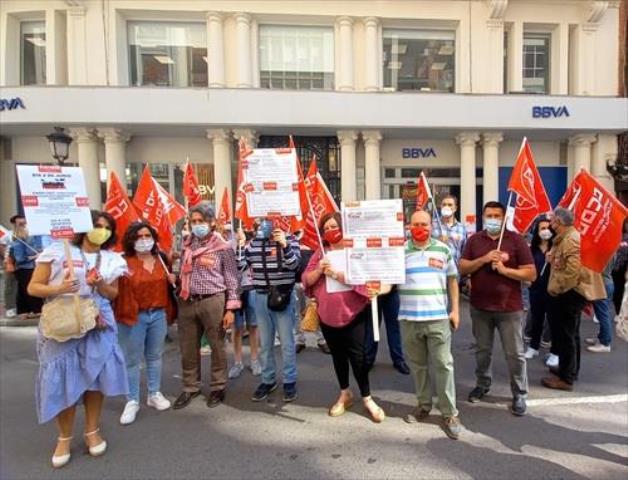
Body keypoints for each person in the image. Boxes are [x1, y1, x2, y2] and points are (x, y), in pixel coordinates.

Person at [27, 210, 128, 468]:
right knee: (63, 378)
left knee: (95, 378)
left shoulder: (111, 258)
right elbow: (33, 287)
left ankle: (92, 430)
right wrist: (59, 288)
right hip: (63, 320)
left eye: (106, 227)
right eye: (96, 225)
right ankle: (64, 437)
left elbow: (112, 294)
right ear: (84, 227)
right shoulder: (57, 251)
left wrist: (98, 284)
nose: (101, 230)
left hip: (98, 320)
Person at [302, 212, 385, 422]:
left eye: (333, 226)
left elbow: (365, 282)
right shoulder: (320, 252)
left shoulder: (355, 251)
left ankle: (367, 397)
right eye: (326, 228)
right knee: (338, 356)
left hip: (354, 315)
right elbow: (306, 279)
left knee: (359, 358)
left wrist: (338, 275)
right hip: (327, 316)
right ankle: (345, 393)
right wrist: (319, 270)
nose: (330, 231)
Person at [459, 201, 536, 416]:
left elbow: (530, 274)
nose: (492, 219)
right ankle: (483, 383)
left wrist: (504, 271)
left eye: (496, 216)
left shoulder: (516, 240)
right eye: (489, 215)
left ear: (504, 218)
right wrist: (483, 259)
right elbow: (463, 266)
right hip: (480, 307)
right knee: (483, 351)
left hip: (509, 308)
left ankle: (519, 392)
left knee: (515, 353)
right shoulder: (475, 240)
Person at [399, 210, 461, 439]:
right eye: (415, 224)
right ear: (409, 226)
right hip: (409, 318)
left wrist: (455, 310)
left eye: (424, 224)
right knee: (418, 366)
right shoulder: (400, 251)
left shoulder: (443, 249)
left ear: (431, 226)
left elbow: (453, 280)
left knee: (444, 365)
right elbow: (388, 282)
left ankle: (450, 413)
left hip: (437, 319)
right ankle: (424, 405)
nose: (420, 228)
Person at [173, 203, 240, 410]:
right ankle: (190, 387)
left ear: (211, 223)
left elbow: (232, 279)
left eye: (200, 221)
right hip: (187, 300)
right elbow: (182, 272)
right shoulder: (185, 244)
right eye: (193, 222)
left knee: (217, 346)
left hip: (213, 301)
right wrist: (174, 275)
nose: (197, 225)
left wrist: (230, 309)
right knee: (188, 347)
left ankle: (218, 387)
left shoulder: (223, 247)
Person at [114, 221, 177, 425]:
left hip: (158, 314)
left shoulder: (161, 258)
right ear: (131, 239)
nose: (143, 240)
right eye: (139, 236)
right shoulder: (122, 262)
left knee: (154, 356)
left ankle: (154, 393)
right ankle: (132, 400)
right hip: (133, 316)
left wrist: (172, 279)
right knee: (132, 360)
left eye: (147, 236)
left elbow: (169, 285)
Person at [237, 218, 301, 403]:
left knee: (287, 343)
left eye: (268, 220)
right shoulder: (253, 244)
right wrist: (241, 244)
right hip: (261, 297)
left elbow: (294, 265)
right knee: (265, 344)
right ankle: (268, 380)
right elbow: (241, 266)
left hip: (283, 297)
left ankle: (289, 381)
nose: (263, 224)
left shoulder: (291, 240)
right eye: (261, 220)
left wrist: (284, 244)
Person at [543, 208, 606, 391]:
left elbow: (572, 271)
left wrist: (557, 288)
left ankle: (566, 378)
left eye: (553, 221)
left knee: (566, 335)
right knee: (570, 334)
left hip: (569, 294)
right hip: (568, 293)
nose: (551, 224)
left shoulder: (571, 240)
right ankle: (568, 369)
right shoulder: (564, 239)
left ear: (559, 223)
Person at [524, 216, 557, 364]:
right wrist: (527, 279)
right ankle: (533, 346)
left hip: (552, 289)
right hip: (536, 289)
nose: (545, 231)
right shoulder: (532, 248)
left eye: (548, 228)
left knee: (553, 320)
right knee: (536, 318)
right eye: (542, 228)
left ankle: (554, 351)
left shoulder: (556, 247)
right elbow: (526, 266)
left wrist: (553, 261)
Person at [229, 231, 261, 379]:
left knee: (253, 326)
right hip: (236, 291)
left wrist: (244, 246)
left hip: (252, 289)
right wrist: (239, 246)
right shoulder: (230, 247)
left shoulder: (254, 247)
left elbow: (244, 265)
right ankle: (237, 362)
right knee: (237, 328)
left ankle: (254, 360)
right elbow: (237, 266)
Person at [364, 286, 410, 375]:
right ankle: (368, 359)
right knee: (372, 326)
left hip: (391, 290)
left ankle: (398, 360)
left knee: (393, 327)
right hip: (373, 290)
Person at [295, 244, 330, 354]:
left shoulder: (315, 243)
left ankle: (322, 340)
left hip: (310, 285)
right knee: (297, 314)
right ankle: (299, 340)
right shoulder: (289, 241)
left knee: (315, 312)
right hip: (294, 282)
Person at [11, 215, 45, 319]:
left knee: (23, 290)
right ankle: (36, 310)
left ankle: (23, 311)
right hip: (24, 268)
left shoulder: (32, 236)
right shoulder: (17, 240)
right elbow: (20, 258)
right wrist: (34, 256)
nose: (26, 226)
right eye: (22, 224)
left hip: (30, 267)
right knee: (28, 289)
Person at [585, 259, 615, 353]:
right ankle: (602, 337)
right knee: (602, 313)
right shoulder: (611, 249)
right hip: (607, 282)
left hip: (602, 283)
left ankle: (605, 343)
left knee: (603, 314)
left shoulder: (604, 252)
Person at [432, 194, 467, 265]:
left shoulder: (462, 228)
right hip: (436, 269)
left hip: (456, 270)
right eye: (444, 205)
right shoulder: (432, 225)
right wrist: (437, 242)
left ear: (455, 208)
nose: (446, 207)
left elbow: (464, 252)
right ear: (441, 207)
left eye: (450, 205)